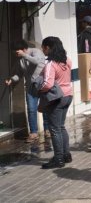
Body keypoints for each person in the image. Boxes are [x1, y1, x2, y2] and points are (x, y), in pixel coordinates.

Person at [38, 37, 73, 169]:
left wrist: (39, 90)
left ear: (48, 48)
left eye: (43, 47)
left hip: (56, 98)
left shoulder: (51, 64)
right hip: (68, 95)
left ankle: (58, 159)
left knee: (54, 129)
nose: (42, 50)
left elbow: (48, 83)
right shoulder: (67, 61)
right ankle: (66, 154)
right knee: (61, 127)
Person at [5, 40, 48, 144]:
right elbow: (19, 74)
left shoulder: (35, 51)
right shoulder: (20, 60)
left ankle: (48, 129)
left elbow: (37, 61)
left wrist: (24, 55)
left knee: (45, 108)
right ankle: (34, 133)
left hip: (42, 85)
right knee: (31, 109)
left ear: (23, 49)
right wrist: (12, 79)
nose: (16, 54)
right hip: (30, 87)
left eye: (17, 51)